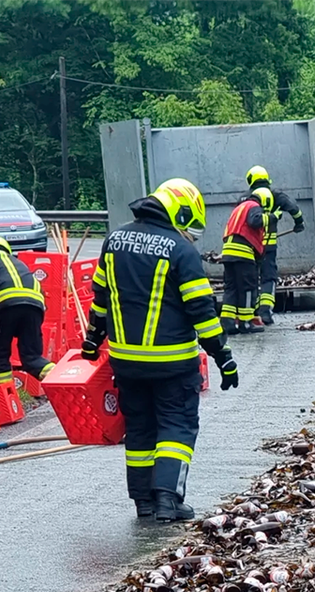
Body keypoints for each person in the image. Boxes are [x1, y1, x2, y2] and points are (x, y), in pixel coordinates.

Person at [82, 178, 239, 522]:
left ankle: (144, 502)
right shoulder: (180, 250)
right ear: (177, 211)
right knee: (177, 426)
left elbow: (101, 299)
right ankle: (169, 500)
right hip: (172, 362)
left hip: (126, 363)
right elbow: (202, 312)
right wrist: (223, 357)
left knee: (139, 428)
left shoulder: (114, 241)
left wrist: (93, 339)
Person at [0, 236, 55, 387]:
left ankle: (5, 396)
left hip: (7, 307)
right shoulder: (19, 264)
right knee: (32, 358)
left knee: (0, 355)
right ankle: (61, 380)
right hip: (35, 308)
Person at [246, 166, 304, 325]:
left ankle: (251, 312)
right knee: (268, 277)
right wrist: (299, 223)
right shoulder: (276, 195)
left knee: (251, 277)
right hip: (268, 245)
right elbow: (293, 208)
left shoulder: (248, 198)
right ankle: (265, 312)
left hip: (250, 246)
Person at [218, 183, 271, 335]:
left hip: (228, 252)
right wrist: (270, 218)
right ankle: (246, 322)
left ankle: (227, 322)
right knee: (247, 288)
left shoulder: (239, 208)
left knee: (231, 288)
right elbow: (255, 221)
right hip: (243, 253)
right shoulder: (254, 206)